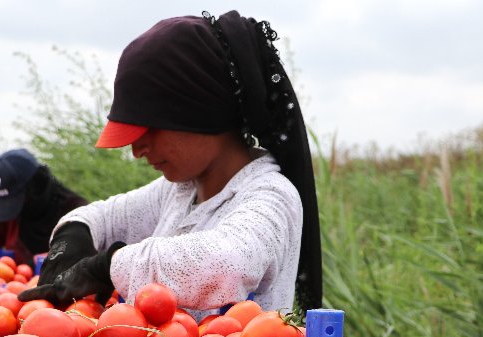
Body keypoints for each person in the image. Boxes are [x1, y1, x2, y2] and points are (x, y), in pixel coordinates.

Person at [19, 10, 322, 320]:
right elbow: (103, 216)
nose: (137, 149)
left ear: (201, 111)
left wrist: (107, 266)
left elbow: (226, 262)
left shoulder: (271, 197)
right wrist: (73, 234)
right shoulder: (179, 192)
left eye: (149, 129)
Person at [0, 148, 87, 266]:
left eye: (15, 201)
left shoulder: (77, 213)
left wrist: (36, 267)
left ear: (36, 186)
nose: (11, 209)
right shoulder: (12, 216)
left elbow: (80, 252)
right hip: (14, 294)